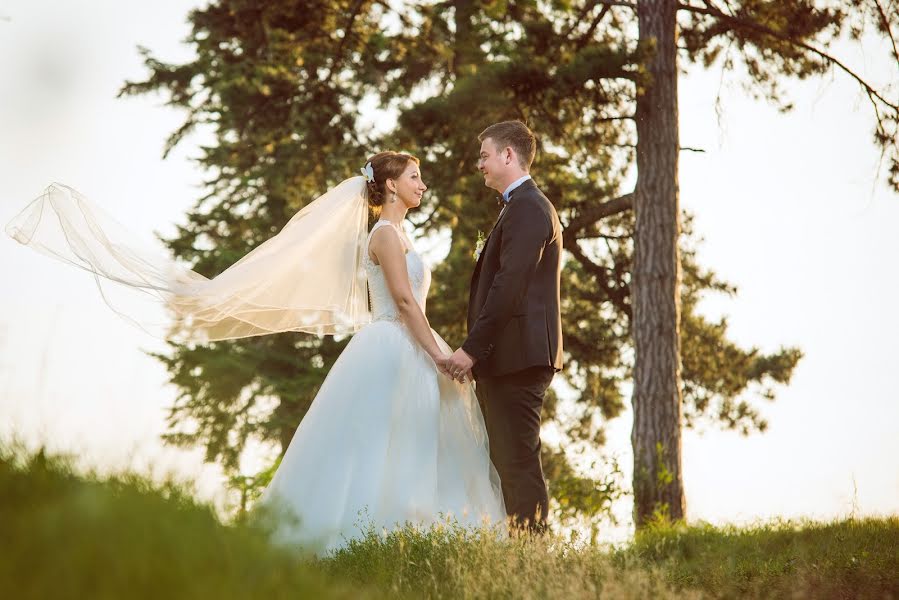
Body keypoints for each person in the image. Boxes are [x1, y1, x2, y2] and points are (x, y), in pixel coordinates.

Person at [5, 151, 506, 555]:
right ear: (391, 185)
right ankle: (363, 539)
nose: (423, 184)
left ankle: (421, 538)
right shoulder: (384, 235)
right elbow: (400, 300)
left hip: (408, 343)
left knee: (410, 440)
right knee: (377, 443)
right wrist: (439, 354)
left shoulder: (402, 234)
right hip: (396, 343)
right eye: (415, 176)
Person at [444, 121, 564, 533]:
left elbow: (509, 284)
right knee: (506, 460)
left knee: (517, 461)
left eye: (485, 155)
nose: (480, 164)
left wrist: (472, 349)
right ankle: (521, 552)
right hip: (508, 358)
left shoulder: (530, 207)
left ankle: (534, 557)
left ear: (508, 156)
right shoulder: (518, 207)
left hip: (519, 357)